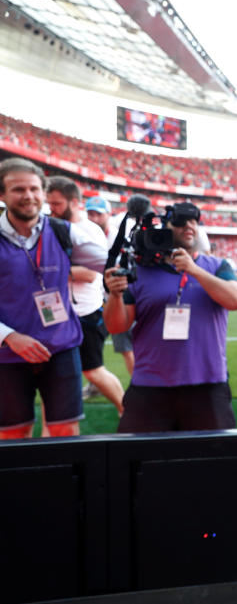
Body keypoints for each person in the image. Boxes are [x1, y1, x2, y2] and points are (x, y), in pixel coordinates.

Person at [103, 202, 237, 433]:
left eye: (193, 221)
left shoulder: (217, 266)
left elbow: (236, 300)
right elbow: (117, 325)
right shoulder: (139, 270)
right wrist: (115, 296)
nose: (188, 226)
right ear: (164, 228)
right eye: (180, 221)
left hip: (207, 383)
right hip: (150, 384)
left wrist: (194, 270)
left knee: (214, 458)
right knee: (137, 460)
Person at [0, 158, 107, 439]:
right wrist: (10, 337)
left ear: (43, 193)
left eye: (34, 189)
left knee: (65, 431)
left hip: (60, 348)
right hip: (7, 355)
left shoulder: (62, 232)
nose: (28, 196)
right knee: (13, 433)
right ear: (2, 194)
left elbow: (108, 262)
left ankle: (63, 484)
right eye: (18, 189)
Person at [46, 177, 124, 415]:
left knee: (93, 370)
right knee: (56, 372)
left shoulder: (89, 231)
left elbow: (91, 273)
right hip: (58, 311)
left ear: (74, 202)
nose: (52, 209)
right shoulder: (50, 226)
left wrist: (52, 270)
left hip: (86, 312)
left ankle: (127, 411)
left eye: (57, 204)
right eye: (50, 204)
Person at [86, 195, 135, 376]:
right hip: (93, 301)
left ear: (109, 214)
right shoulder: (84, 235)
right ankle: (95, 384)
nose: (95, 218)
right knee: (91, 348)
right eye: (91, 214)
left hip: (117, 298)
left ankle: (139, 387)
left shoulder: (120, 236)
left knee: (125, 346)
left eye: (99, 214)